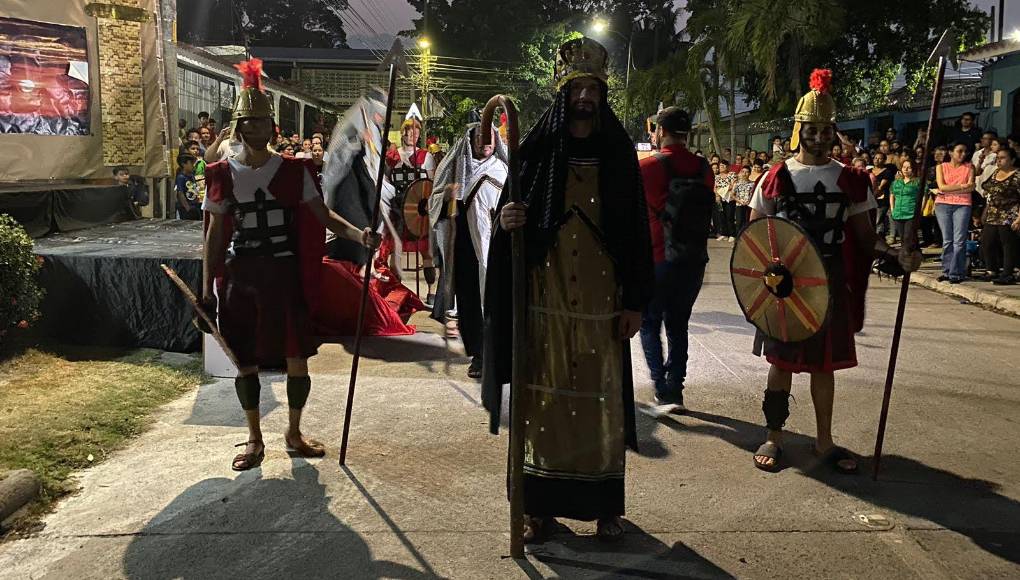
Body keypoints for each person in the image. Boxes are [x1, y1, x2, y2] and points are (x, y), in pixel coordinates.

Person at [482, 37, 654, 543]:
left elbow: (636, 232)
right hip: (545, 304)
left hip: (602, 306)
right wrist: (505, 219)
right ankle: (536, 509)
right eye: (576, 86)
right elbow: (512, 216)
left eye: (592, 87)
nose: (584, 95)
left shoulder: (619, 152)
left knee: (603, 401)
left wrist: (635, 302)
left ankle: (605, 509)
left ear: (601, 95)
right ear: (563, 93)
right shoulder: (536, 152)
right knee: (544, 404)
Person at [201, 58, 379, 472]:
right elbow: (213, 235)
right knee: (244, 358)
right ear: (239, 127)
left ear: (272, 128)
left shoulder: (295, 170)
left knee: (297, 355)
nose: (257, 130)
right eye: (250, 123)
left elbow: (324, 216)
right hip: (241, 276)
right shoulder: (221, 173)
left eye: (264, 123)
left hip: (283, 275)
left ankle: (294, 433)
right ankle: (254, 436)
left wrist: (359, 235)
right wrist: (207, 286)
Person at [747, 69, 921, 474]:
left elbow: (864, 239)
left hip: (828, 281)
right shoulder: (775, 178)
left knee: (823, 366)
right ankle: (774, 435)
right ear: (799, 130)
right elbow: (754, 237)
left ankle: (823, 441)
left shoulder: (851, 179)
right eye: (812, 129)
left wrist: (896, 256)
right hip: (784, 285)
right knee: (782, 365)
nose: (820, 137)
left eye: (827, 130)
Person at [638, 107, 714, 414]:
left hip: (657, 256)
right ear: (688, 134)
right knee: (678, 324)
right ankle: (677, 388)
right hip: (693, 259)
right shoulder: (704, 167)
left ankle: (661, 386)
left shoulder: (647, 167)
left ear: (660, 131)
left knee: (649, 323)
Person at [430, 121, 508, 378]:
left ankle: (500, 356)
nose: (484, 142)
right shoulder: (455, 169)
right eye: (479, 137)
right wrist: (447, 196)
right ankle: (479, 355)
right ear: (470, 140)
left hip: (499, 250)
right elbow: (434, 202)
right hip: (467, 251)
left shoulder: (505, 169)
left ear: (496, 141)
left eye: (489, 137)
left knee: (500, 302)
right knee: (471, 303)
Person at [386, 118, 438, 304]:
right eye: (408, 131)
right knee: (396, 252)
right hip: (399, 209)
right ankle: (396, 290)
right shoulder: (393, 156)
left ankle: (432, 290)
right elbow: (386, 182)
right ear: (403, 133)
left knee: (427, 253)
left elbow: (430, 185)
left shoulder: (426, 157)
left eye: (415, 132)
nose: (411, 135)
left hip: (419, 210)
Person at [934, 142, 976, 283]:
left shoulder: (970, 167)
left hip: (962, 204)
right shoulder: (941, 167)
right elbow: (941, 186)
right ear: (951, 152)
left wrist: (951, 188)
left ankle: (956, 273)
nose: (963, 154)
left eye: (965, 151)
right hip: (943, 204)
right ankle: (946, 271)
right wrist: (962, 186)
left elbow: (971, 187)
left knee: (959, 240)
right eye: (959, 151)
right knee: (947, 240)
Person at [979, 146, 1020, 285]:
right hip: (993, 212)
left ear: (1012, 160)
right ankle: (992, 269)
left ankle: (1007, 273)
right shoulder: (996, 172)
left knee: (1007, 244)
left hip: (1009, 214)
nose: (999, 161)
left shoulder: (1017, 175)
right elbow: (987, 186)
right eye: (998, 158)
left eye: (1002, 158)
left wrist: (1019, 218)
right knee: (987, 241)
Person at [890, 159, 921, 243]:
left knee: (909, 237)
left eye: (909, 167)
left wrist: (920, 210)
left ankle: (913, 253)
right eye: (904, 167)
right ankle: (906, 253)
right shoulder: (896, 182)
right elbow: (892, 195)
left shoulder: (917, 182)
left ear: (913, 169)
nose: (905, 169)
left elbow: (923, 196)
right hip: (898, 214)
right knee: (902, 238)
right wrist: (892, 209)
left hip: (911, 213)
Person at [871, 151, 895, 240]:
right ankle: (879, 237)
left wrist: (874, 193)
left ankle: (880, 238)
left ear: (884, 160)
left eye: (880, 158)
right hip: (871, 198)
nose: (877, 160)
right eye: (875, 158)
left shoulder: (887, 172)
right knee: (874, 220)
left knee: (879, 219)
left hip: (882, 198)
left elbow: (881, 187)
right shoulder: (870, 170)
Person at [174, 154, 201, 221]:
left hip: (195, 206)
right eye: (191, 163)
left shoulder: (192, 176)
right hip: (187, 209)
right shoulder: (181, 177)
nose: (193, 165)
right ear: (183, 164)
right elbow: (180, 193)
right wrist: (187, 208)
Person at [732, 165, 755, 233]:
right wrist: (739, 201)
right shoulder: (737, 183)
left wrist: (749, 201)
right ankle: (739, 238)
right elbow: (732, 195)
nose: (745, 174)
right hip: (739, 205)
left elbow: (753, 195)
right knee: (739, 222)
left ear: (750, 173)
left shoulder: (752, 184)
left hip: (749, 205)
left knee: (747, 222)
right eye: (743, 172)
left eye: (747, 172)